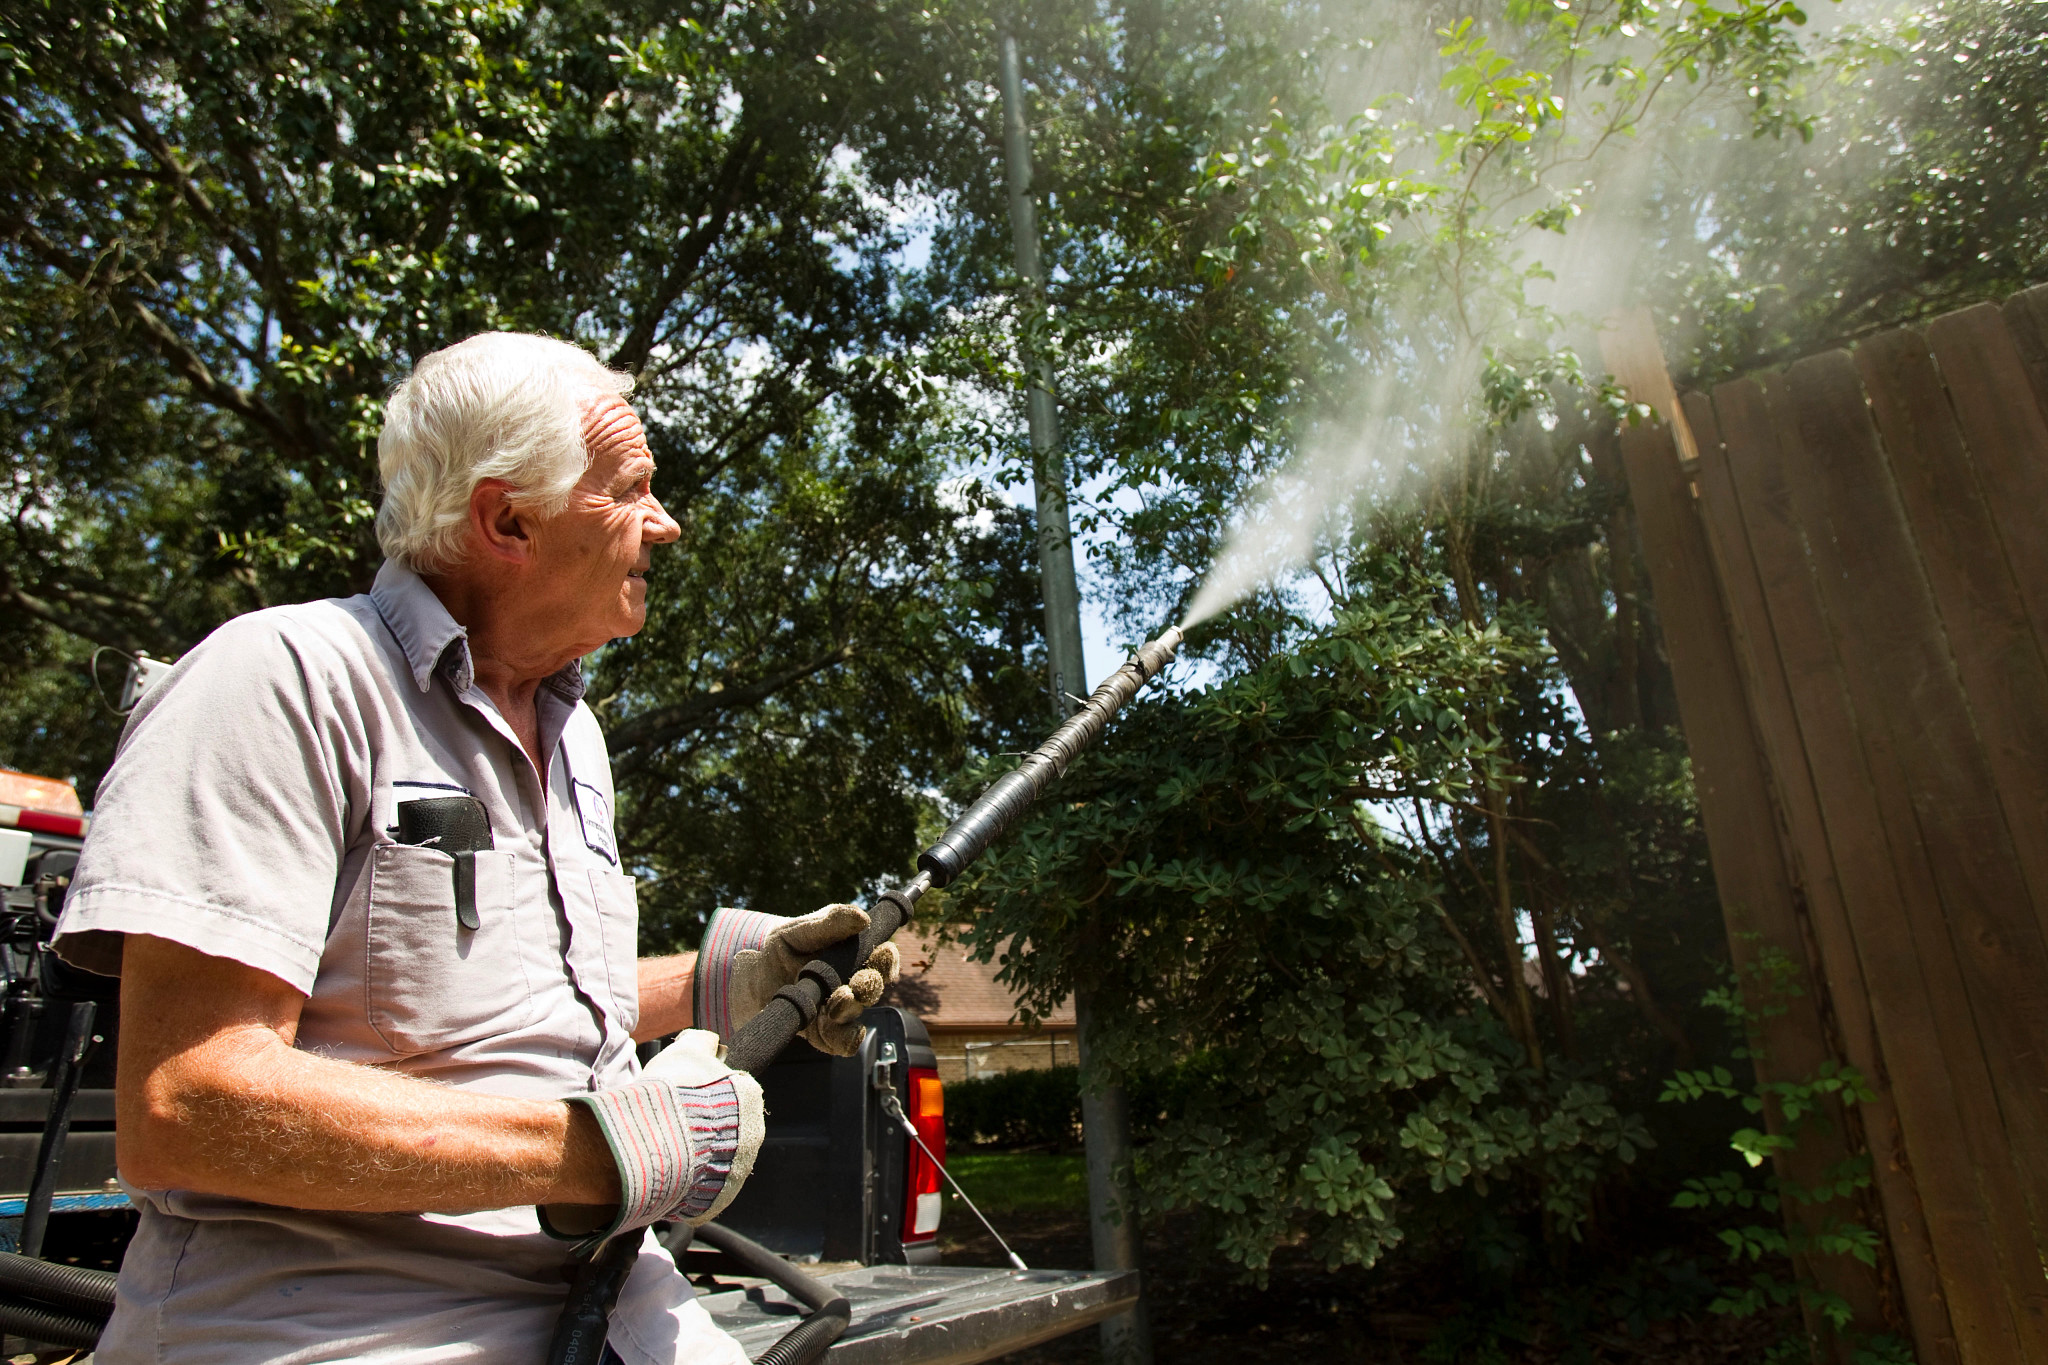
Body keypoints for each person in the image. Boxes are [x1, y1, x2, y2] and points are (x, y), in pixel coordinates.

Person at [50, 333, 899, 1364]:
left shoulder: (570, 730)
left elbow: (481, 1006)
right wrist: (590, 1149)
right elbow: (185, 1103)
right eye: (631, 488)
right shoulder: (279, 679)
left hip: (619, 1306)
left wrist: (728, 978)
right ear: (507, 519)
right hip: (350, 1330)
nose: (664, 526)